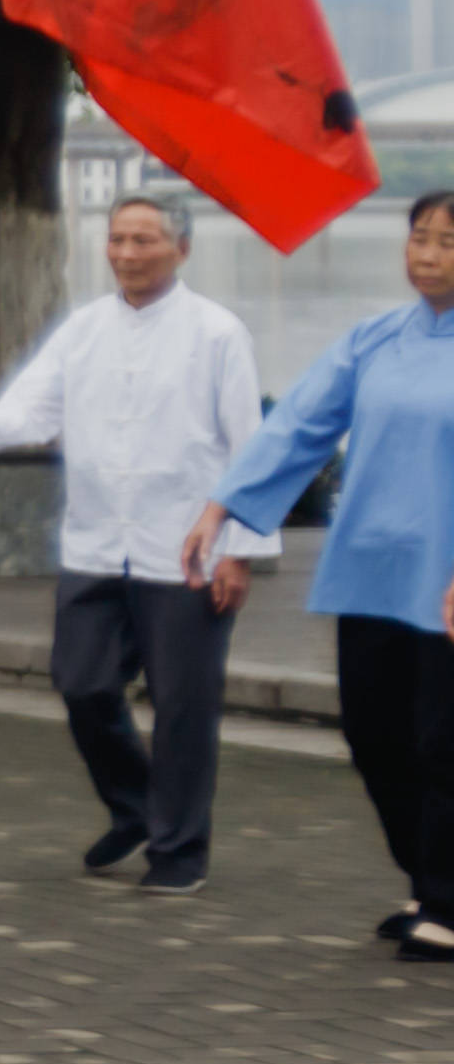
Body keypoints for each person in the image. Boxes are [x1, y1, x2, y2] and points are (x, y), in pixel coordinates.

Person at [0, 195, 266, 895]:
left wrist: (240, 551)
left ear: (181, 248)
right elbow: (31, 410)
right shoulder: (83, 329)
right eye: (117, 239)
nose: (127, 253)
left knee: (183, 707)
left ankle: (179, 854)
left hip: (186, 549)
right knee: (82, 684)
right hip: (96, 544)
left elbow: (250, 448)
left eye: (144, 240)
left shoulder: (217, 333)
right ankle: (137, 807)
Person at [192, 189, 454, 954]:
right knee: (376, 736)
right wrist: (225, 507)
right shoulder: (375, 339)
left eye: (447, 240)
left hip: (445, 582)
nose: (428, 254)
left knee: (446, 743)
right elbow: (300, 424)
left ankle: (445, 902)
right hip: (372, 571)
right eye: (419, 238)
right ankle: (428, 878)